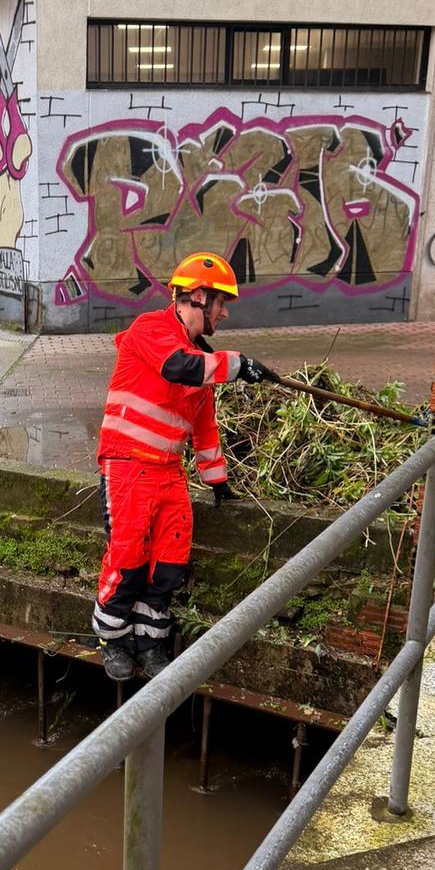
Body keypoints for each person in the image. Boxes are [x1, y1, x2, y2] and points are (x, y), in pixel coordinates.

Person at [92, 252, 278, 682]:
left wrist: (218, 481)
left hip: (168, 473)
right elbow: (178, 367)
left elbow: (204, 430)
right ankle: (113, 639)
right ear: (198, 296)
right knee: (128, 558)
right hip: (127, 466)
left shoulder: (200, 361)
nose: (224, 313)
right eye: (221, 303)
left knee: (169, 562)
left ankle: (150, 641)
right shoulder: (151, 330)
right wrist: (239, 364)